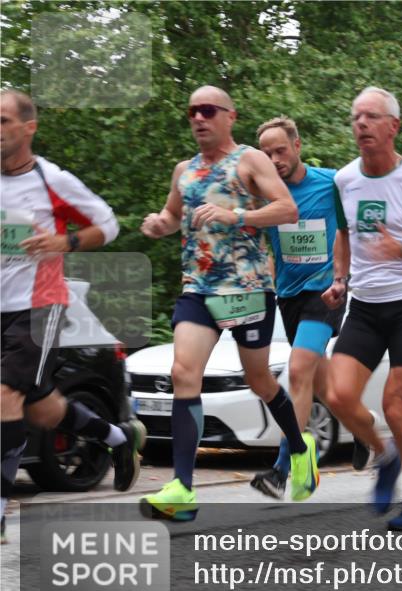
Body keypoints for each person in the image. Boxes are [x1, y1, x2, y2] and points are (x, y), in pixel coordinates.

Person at [139, 86, 310, 521]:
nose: (198, 117)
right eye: (192, 111)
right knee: (183, 372)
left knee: (259, 381)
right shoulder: (185, 170)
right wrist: (159, 225)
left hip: (247, 288)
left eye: (207, 110)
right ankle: (182, 490)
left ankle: (298, 449)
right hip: (199, 288)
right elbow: (173, 214)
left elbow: (287, 210)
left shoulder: (250, 160)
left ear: (229, 117)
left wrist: (235, 216)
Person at [1, 89, 146, 542]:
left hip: (39, 305)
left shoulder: (52, 180)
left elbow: (108, 222)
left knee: (5, 396)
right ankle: (118, 439)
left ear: (29, 128)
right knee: (42, 410)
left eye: (4, 120)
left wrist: (65, 243)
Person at [321, 87, 402, 530]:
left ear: (393, 126)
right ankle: (386, 454)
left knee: (396, 408)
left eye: (371, 117)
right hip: (365, 304)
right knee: (337, 394)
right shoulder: (343, 180)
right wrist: (340, 279)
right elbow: (343, 234)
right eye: (356, 117)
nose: (361, 124)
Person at [250, 116, 346, 498]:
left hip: (325, 292)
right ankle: (364, 424)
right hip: (288, 296)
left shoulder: (331, 183)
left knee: (298, 368)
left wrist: (345, 276)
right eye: (266, 153)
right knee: (321, 385)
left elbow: (351, 230)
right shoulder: (264, 195)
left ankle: (283, 468)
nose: (274, 159)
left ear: (297, 146)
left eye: (280, 150)